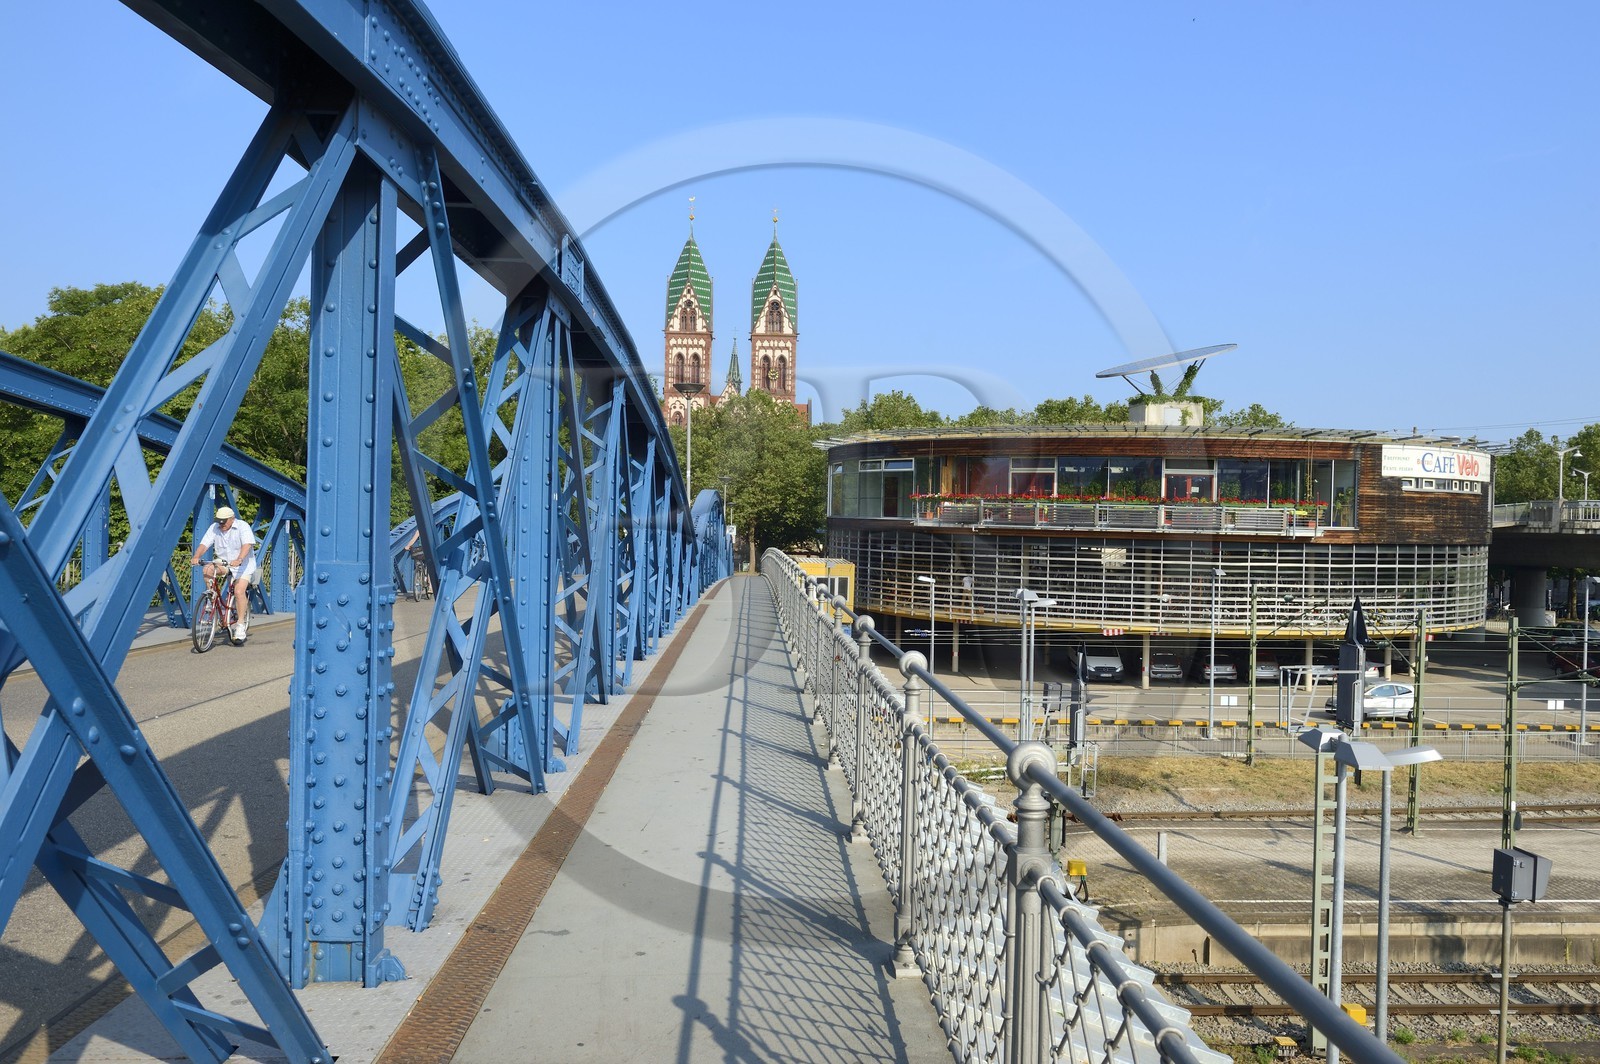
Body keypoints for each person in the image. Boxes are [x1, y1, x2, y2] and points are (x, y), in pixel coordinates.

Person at [190, 505, 257, 642]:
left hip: (243, 565)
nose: (221, 524)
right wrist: (196, 556)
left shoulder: (243, 526)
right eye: (219, 521)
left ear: (232, 519)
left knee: (238, 592)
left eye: (224, 521)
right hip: (224, 562)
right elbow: (204, 544)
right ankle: (211, 598)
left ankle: (239, 625)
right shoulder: (215, 527)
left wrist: (239, 559)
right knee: (207, 569)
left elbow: (247, 545)